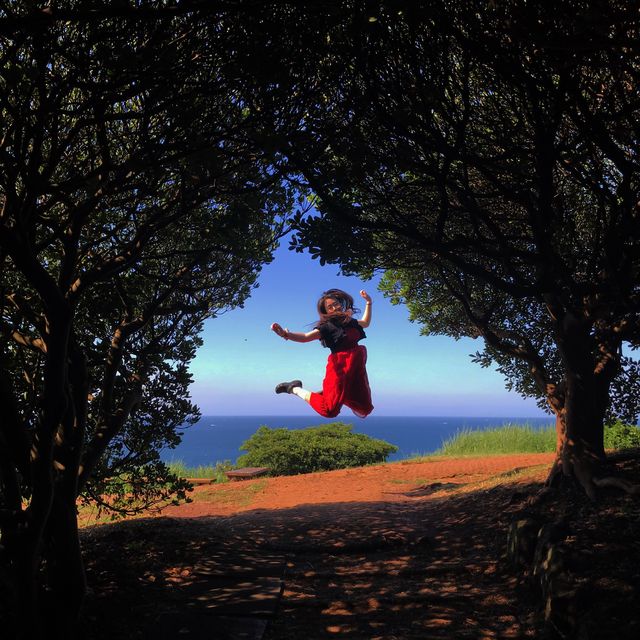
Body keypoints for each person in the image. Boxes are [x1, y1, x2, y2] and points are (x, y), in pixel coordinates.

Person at [271, 288, 374, 418]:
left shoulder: (350, 321)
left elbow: (365, 323)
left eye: (336, 304)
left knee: (364, 406)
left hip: (356, 367)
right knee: (329, 410)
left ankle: (328, 393)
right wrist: (286, 334)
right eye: (330, 307)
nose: (335, 308)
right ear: (326, 312)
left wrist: (368, 303)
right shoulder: (327, 327)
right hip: (340, 368)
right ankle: (294, 388)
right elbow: (305, 337)